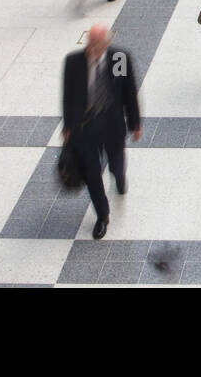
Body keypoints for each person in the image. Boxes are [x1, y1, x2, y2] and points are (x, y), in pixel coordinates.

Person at [61, 24, 142, 240]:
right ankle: (102, 215)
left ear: (106, 43)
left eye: (98, 44)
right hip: (84, 128)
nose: (93, 49)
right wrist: (68, 126)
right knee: (91, 173)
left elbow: (129, 92)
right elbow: (67, 97)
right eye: (90, 44)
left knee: (116, 162)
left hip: (112, 125)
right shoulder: (73, 62)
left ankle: (119, 176)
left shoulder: (119, 59)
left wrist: (135, 122)